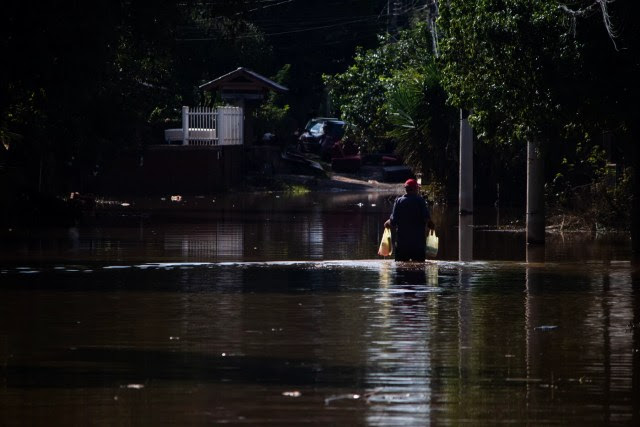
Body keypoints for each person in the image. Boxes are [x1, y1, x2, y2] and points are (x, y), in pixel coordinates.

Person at [384, 178, 435, 262]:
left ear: (406, 189)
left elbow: (393, 221)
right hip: (418, 245)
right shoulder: (420, 201)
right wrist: (431, 225)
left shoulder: (399, 201)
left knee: (401, 269)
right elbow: (427, 219)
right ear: (416, 189)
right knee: (419, 269)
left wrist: (387, 223)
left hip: (402, 244)